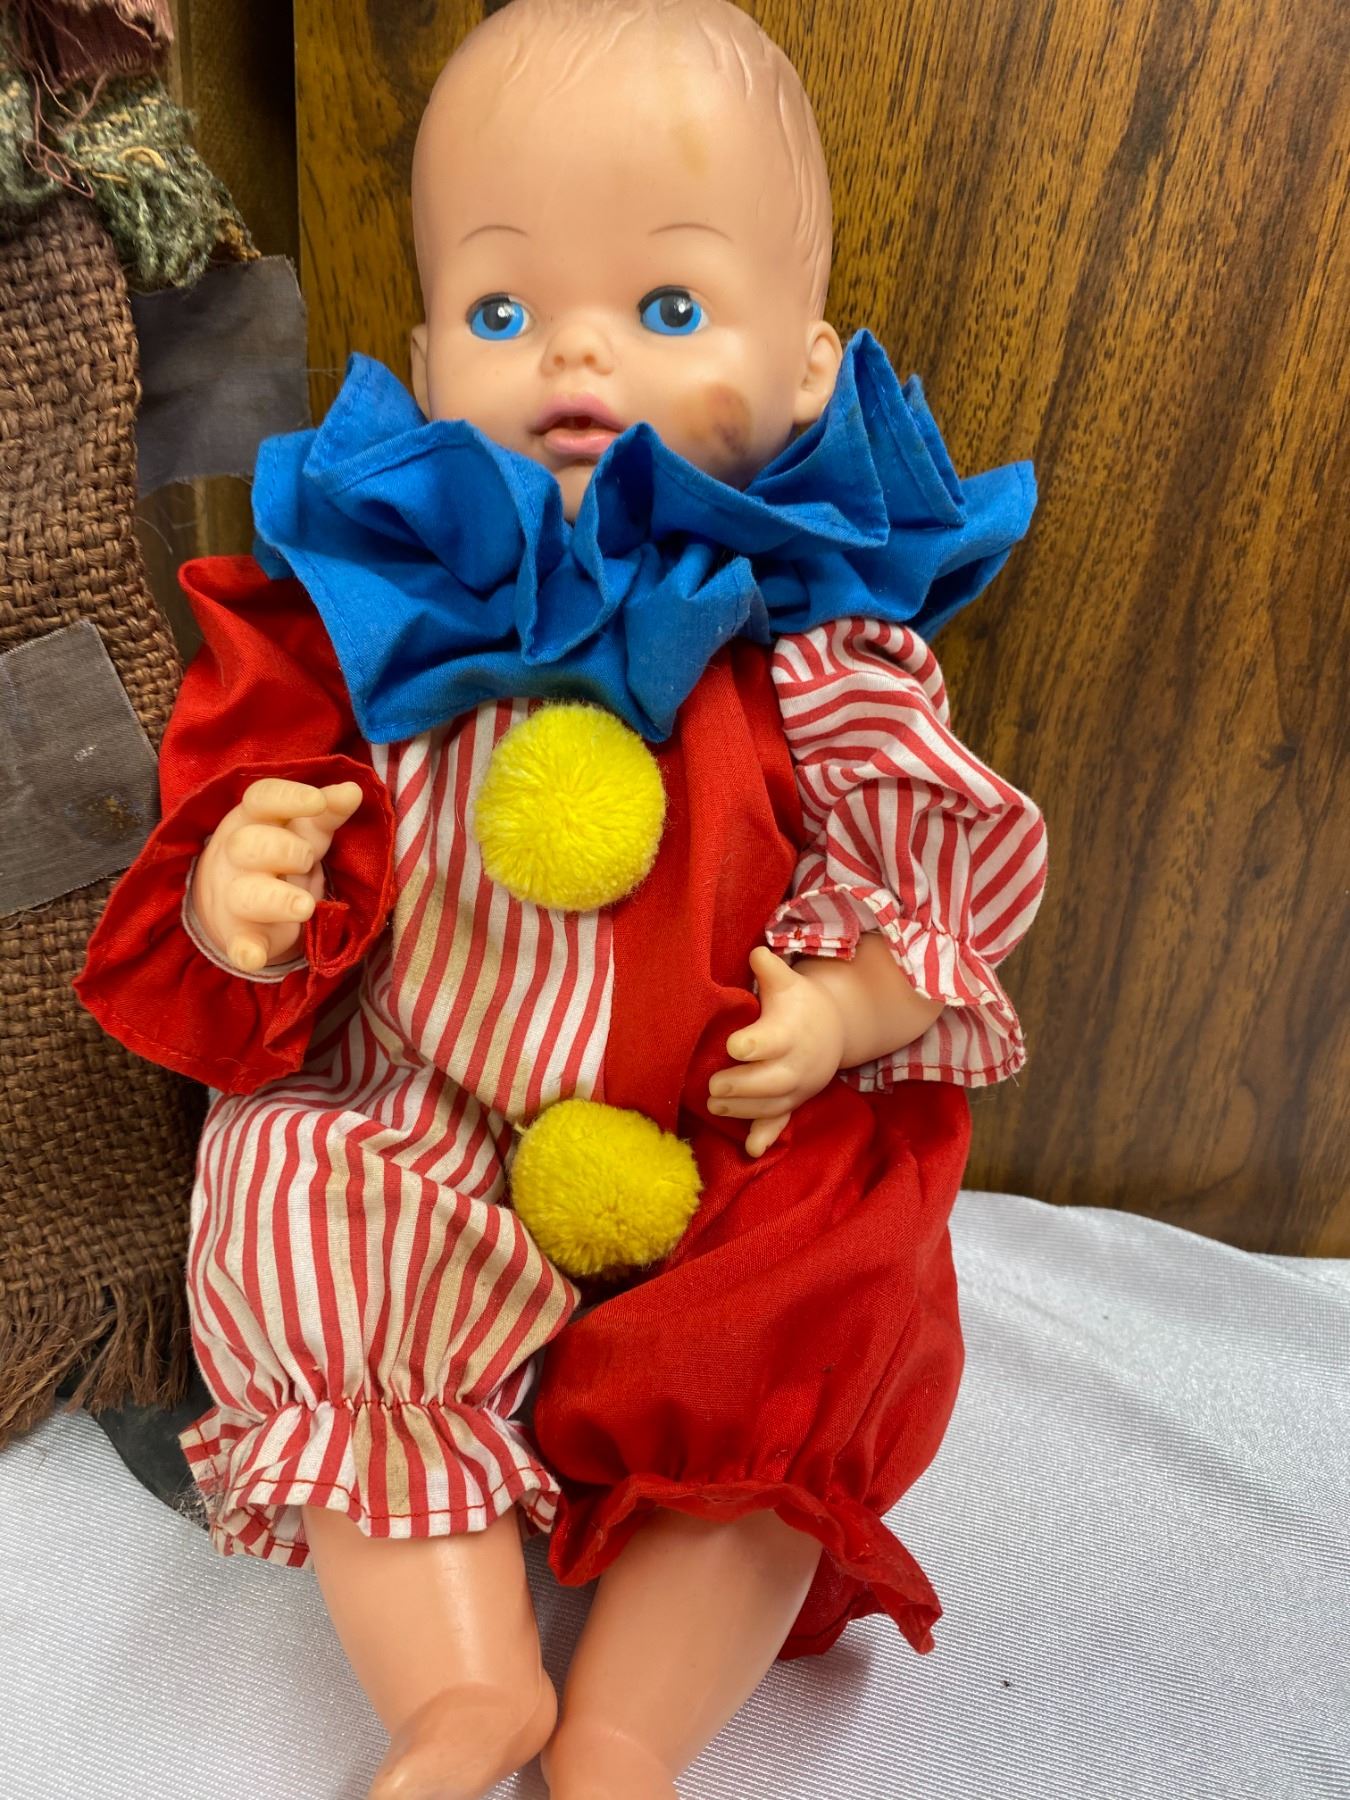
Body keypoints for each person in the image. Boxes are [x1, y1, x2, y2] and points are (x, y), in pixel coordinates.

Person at [78, 1, 1047, 1793]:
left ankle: (629, 1733)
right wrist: (238, 889)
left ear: (808, 369)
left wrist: (849, 1004)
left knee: (823, 1288)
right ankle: (462, 1689)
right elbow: (251, 801)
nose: (573, 351)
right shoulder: (378, 613)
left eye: (667, 309)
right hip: (433, 1100)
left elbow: (935, 874)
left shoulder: (819, 642)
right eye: (503, 309)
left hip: (729, 1128)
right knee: (296, 1183)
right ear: (427, 355)